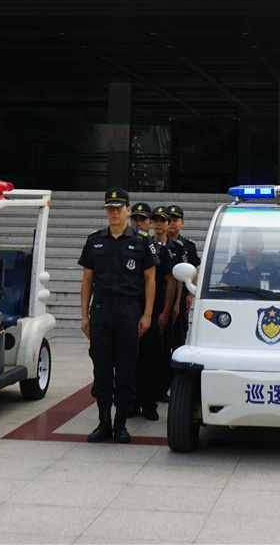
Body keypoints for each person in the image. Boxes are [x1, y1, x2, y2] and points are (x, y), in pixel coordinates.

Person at [78, 187, 157, 443]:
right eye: (110, 209)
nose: (114, 213)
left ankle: (121, 423)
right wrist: (84, 316)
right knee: (101, 367)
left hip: (128, 311)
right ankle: (104, 423)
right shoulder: (94, 240)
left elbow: (150, 280)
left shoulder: (141, 241)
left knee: (126, 368)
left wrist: (147, 314)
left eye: (118, 208)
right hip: (101, 310)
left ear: (128, 210)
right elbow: (87, 280)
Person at [133, 208, 177, 422]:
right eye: (135, 219)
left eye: (142, 219)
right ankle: (131, 402)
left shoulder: (157, 249)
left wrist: (165, 312)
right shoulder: (125, 245)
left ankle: (149, 403)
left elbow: (170, 281)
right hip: (130, 309)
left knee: (151, 358)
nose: (138, 223)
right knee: (130, 359)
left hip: (153, 308)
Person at [166, 206, 198, 353]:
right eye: (169, 220)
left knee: (179, 335)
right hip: (161, 294)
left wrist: (191, 295)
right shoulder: (155, 244)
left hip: (182, 296)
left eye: (175, 220)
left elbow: (194, 271)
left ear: (182, 223)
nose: (172, 223)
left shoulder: (188, 246)